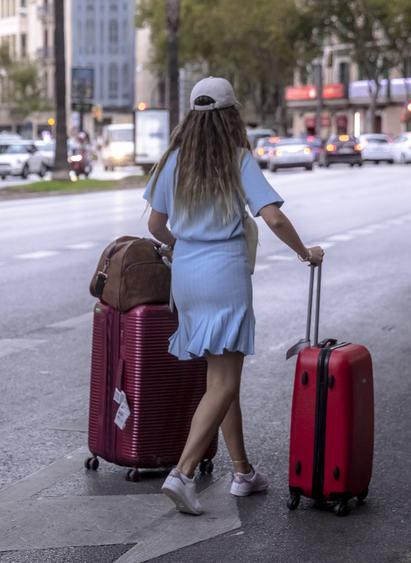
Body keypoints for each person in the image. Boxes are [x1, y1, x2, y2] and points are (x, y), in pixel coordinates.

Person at [144, 76, 324, 516]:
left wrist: (181, 246)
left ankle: (242, 472)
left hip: (186, 275)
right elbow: (274, 218)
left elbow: (154, 225)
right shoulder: (237, 158)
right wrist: (306, 253)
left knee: (220, 381)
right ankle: (182, 474)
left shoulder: (173, 161)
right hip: (224, 272)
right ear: (231, 116)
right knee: (224, 379)